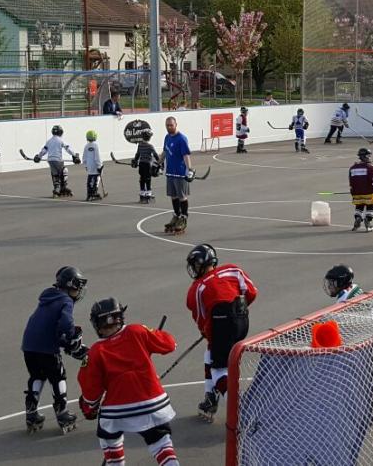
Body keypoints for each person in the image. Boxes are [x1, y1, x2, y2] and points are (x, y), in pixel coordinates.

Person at [77, 298, 182, 466]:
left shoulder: (96, 351)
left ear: (97, 324)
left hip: (118, 410)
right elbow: (170, 345)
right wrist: (154, 335)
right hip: (153, 403)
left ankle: (115, 461)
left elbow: (91, 391)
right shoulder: (137, 331)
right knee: (161, 444)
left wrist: (89, 407)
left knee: (108, 436)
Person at [185, 244, 258, 423]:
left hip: (221, 326)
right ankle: (210, 398)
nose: (193, 268)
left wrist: (208, 332)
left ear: (201, 264)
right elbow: (251, 292)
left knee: (219, 369)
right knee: (210, 354)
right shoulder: (232, 270)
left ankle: (241, 413)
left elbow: (202, 319)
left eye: (195, 264)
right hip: (242, 322)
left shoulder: (197, 288)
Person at [21, 266, 88, 434]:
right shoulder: (65, 300)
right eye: (78, 286)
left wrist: (64, 341)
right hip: (46, 347)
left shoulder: (48, 297)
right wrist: (72, 339)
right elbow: (65, 325)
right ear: (70, 285)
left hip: (29, 345)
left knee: (37, 376)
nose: (79, 290)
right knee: (58, 375)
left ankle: (31, 413)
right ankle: (62, 412)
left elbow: (49, 325)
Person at [163, 116, 195, 235]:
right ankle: (176, 215)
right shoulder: (167, 137)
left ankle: (183, 217)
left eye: (171, 125)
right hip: (170, 172)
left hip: (180, 173)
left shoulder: (182, 139)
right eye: (167, 125)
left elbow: (186, 156)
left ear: (176, 124)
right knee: (173, 196)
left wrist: (189, 170)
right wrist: (158, 163)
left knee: (182, 196)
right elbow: (165, 152)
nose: (169, 127)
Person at [34, 125, 78, 198]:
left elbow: (44, 150)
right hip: (58, 160)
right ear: (60, 132)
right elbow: (68, 149)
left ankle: (57, 189)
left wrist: (39, 157)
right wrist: (74, 156)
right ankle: (63, 187)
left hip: (50, 160)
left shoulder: (49, 141)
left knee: (55, 174)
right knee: (64, 171)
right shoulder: (60, 140)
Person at [348, 147, 373, 232]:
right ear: (367, 156)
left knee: (359, 206)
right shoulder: (371, 168)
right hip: (369, 192)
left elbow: (351, 181)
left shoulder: (352, 168)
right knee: (370, 207)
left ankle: (358, 218)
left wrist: (352, 191)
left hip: (357, 192)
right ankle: (368, 221)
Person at [132, 128, 161, 204]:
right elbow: (155, 155)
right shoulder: (150, 146)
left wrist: (135, 161)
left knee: (142, 179)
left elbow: (137, 154)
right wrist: (159, 163)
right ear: (149, 138)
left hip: (141, 164)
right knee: (148, 179)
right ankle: (148, 194)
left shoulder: (140, 145)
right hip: (148, 164)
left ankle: (142, 194)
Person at [84, 130, 104, 201]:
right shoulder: (96, 145)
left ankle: (89, 193)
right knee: (96, 178)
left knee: (90, 178)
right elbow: (97, 157)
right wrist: (99, 166)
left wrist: (85, 165)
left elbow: (84, 156)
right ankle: (94, 193)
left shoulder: (86, 146)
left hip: (89, 165)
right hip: (95, 165)